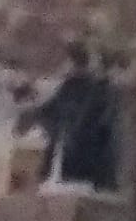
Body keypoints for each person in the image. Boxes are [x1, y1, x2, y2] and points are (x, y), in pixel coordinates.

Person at [22, 43, 120, 194]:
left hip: (84, 159)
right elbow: (50, 110)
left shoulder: (96, 89)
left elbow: (92, 123)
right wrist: (33, 115)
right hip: (69, 156)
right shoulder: (71, 86)